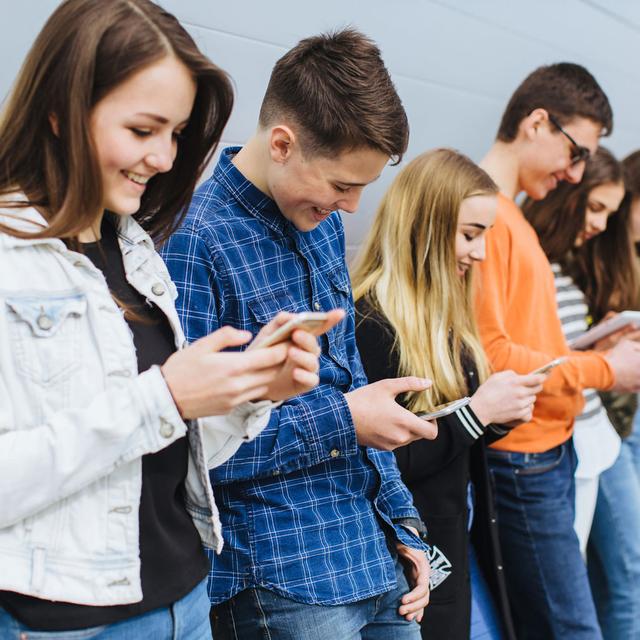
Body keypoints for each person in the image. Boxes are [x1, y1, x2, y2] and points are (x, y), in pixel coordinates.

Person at [0, 1, 325, 638]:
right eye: (144, 130)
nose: (166, 158)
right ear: (62, 112)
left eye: (175, 133)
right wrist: (165, 397)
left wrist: (249, 390)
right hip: (72, 623)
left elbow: (160, 451)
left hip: (184, 598)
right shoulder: (11, 258)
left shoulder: (134, 251)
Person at [162, 29, 437, 640]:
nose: (353, 207)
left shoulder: (316, 222)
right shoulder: (195, 241)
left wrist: (403, 524)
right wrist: (346, 420)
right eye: (342, 186)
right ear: (282, 144)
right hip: (278, 581)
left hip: (373, 558)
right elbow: (194, 452)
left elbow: (356, 387)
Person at [474, 63, 640, 639]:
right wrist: (607, 368)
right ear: (536, 122)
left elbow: (525, 342)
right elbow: (493, 358)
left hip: (545, 451)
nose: (574, 174)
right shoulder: (486, 215)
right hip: (524, 459)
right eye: (574, 153)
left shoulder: (508, 215)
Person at [352, 148, 546, 640]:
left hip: (456, 538)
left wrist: (500, 413)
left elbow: (455, 439)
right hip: (408, 559)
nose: (479, 253)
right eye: (470, 235)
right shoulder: (371, 323)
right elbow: (380, 463)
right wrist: (477, 416)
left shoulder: (447, 318)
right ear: (425, 226)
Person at [523, 148, 630, 556]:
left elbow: (558, 350)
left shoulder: (564, 269)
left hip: (589, 431)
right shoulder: (527, 267)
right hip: (552, 446)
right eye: (596, 207)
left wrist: (602, 345)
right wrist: (604, 364)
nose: (601, 224)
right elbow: (533, 361)